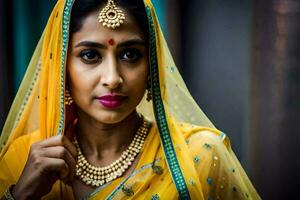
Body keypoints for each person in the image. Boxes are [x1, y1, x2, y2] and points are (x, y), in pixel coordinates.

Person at [0, 0, 261, 199]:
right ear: (61, 68)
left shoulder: (201, 155)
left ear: (152, 65)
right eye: (90, 55)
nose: (112, 78)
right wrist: (20, 194)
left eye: (130, 55)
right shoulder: (26, 160)